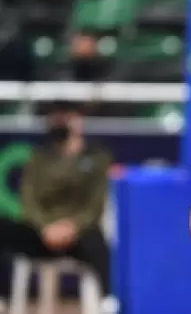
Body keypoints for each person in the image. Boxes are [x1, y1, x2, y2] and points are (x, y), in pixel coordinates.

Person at [0, 100, 118, 313]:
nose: (59, 121)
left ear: (78, 120)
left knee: (98, 241)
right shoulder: (39, 158)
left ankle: (107, 301)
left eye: (65, 116)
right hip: (41, 234)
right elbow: (29, 200)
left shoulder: (97, 158)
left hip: (78, 235)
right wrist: (45, 227)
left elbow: (95, 205)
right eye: (54, 116)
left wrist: (72, 227)